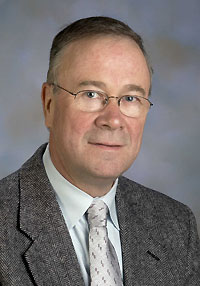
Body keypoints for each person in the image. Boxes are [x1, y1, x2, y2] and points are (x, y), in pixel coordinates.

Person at [0, 16, 199, 286]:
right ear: (49, 104)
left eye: (130, 98)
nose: (113, 119)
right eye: (91, 94)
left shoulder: (176, 225)